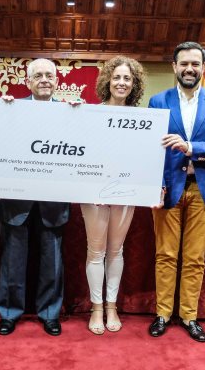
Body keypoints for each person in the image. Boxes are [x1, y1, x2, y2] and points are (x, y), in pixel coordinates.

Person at [148, 41, 205, 342]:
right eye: (184, 63)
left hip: (203, 189)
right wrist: (156, 185)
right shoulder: (158, 101)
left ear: (203, 68)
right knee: (165, 255)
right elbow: (151, 150)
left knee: (195, 258)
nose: (189, 69)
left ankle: (189, 316)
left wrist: (191, 147)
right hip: (168, 189)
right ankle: (162, 314)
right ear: (174, 66)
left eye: (195, 64)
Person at [0, 58, 69, 337]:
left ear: (57, 81)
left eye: (49, 75)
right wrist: (2, 113)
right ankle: (9, 313)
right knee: (12, 261)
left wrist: (81, 117)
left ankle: (50, 313)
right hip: (15, 201)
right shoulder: (9, 109)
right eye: (38, 75)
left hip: (53, 200)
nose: (44, 80)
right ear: (28, 82)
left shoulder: (71, 114)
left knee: (52, 262)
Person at [82, 56, 146, 335]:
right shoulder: (89, 114)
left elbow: (145, 159)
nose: (121, 83)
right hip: (93, 194)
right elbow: (81, 153)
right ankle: (96, 307)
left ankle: (112, 306)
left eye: (127, 78)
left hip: (125, 193)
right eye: (117, 77)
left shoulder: (143, 119)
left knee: (116, 251)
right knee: (95, 251)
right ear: (107, 80)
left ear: (134, 84)